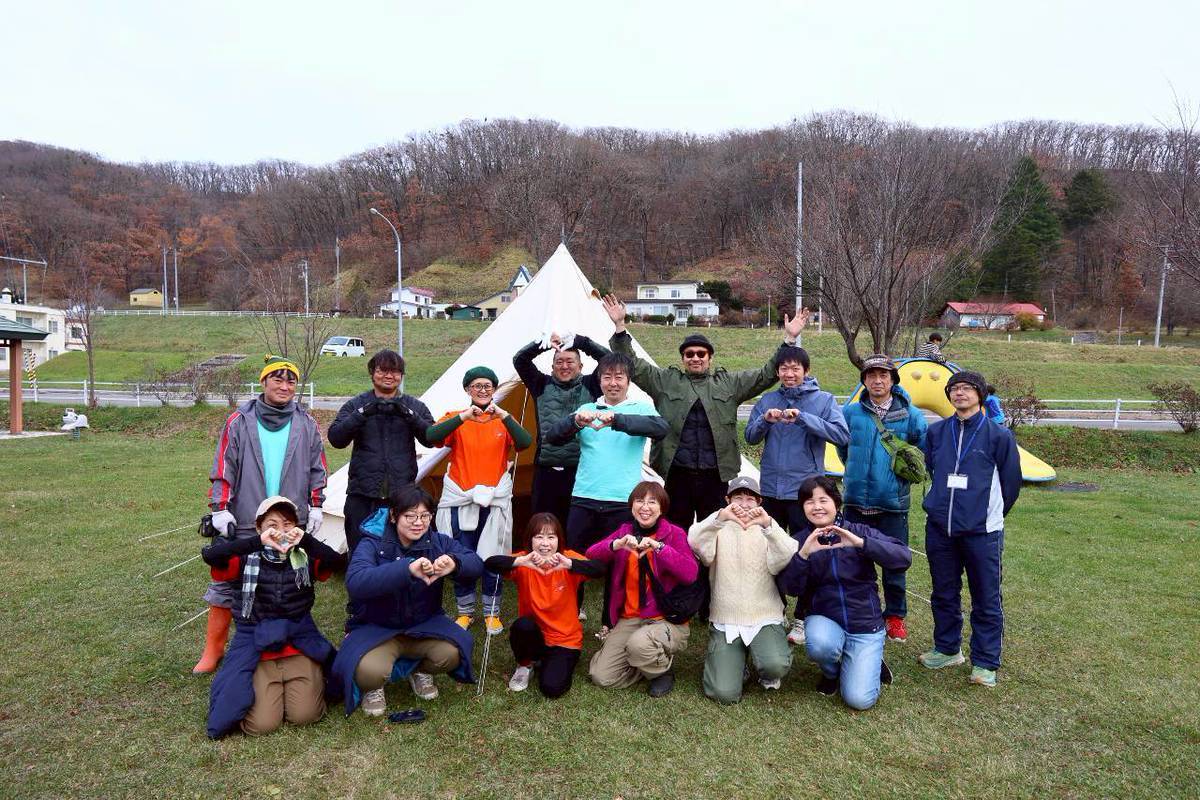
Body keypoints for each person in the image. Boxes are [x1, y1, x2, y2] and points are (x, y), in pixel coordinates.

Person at [603, 294, 807, 530]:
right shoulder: (664, 381)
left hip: (715, 475)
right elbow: (633, 365)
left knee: (714, 533)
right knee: (676, 531)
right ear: (683, 359)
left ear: (710, 357)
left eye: (701, 354)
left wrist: (789, 339)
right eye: (689, 354)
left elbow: (765, 374)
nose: (696, 358)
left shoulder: (729, 383)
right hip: (676, 474)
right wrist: (620, 327)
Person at [196, 355, 328, 674]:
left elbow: (317, 467)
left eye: (290, 381)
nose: (284, 387)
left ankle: (281, 644)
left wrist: (317, 503)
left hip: (287, 517)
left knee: (288, 580)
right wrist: (220, 508)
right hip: (245, 516)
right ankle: (213, 650)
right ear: (264, 382)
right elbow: (223, 466)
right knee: (229, 582)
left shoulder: (306, 424)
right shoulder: (239, 421)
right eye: (277, 380)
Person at [332, 484, 484, 716]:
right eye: (410, 516)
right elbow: (356, 581)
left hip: (423, 624)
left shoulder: (437, 542)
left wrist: (455, 563)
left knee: (454, 652)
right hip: (377, 626)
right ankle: (373, 687)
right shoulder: (371, 542)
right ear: (393, 515)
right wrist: (406, 569)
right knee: (369, 671)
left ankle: (420, 670)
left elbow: (476, 563)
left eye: (425, 515)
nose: (418, 522)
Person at [204, 496, 344, 738]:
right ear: (259, 527)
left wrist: (307, 541)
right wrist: (256, 543)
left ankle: (310, 679)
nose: (280, 530)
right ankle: (269, 687)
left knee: (305, 716)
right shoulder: (244, 557)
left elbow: (337, 562)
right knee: (262, 725)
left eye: (288, 523)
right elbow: (211, 556)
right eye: (272, 524)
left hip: (298, 642)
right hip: (257, 645)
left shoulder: (304, 556)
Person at [544, 352, 669, 621]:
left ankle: (609, 621)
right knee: (573, 558)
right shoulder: (588, 409)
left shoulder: (640, 408)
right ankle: (571, 610)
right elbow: (552, 437)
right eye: (607, 377)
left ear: (628, 381)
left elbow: (661, 428)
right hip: (584, 496)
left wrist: (617, 420)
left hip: (622, 501)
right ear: (599, 381)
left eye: (619, 377)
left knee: (618, 564)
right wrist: (575, 421)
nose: (613, 383)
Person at [919, 370, 1021, 688]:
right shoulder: (937, 433)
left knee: (986, 597)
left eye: (966, 389)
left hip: (982, 532)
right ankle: (948, 648)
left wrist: (988, 515)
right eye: (955, 389)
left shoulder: (998, 435)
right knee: (944, 592)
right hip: (940, 529)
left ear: (980, 394)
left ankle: (985, 662)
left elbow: (1011, 483)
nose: (960, 393)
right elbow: (932, 468)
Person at [777, 476, 912, 710]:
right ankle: (832, 672)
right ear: (802, 508)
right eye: (809, 501)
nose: (817, 506)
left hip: (865, 624)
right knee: (819, 644)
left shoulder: (857, 531)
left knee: (859, 700)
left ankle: (870, 660)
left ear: (836, 503)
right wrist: (804, 555)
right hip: (825, 619)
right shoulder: (800, 540)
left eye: (823, 500)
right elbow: (791, 589)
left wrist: (861, 543)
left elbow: (903, 558)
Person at [744, 345, 848, 645]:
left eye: (795, 368)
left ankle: (803, 617)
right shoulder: (768, 399)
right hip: (772, 491)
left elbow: (841, 435)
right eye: (784, 369)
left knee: (808, 554)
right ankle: (774, 612)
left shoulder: (824, 400)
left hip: (805, 493)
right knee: (770, 554)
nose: (789, 374)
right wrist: (766, 419)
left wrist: (803, 418)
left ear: (806, 371)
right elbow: (750, 436)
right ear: (778, 372)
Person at [426, 366, 533, 635]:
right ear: (467, 390)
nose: (483, 390)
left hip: (494, 500)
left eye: (488, 385)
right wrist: (463, 417)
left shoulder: (502, 421)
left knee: (493, 556)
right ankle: (465, 611)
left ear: (495, 389)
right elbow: (431, 437)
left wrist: (505, 415)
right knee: (463, 555)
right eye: (477, 386)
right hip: (461, 498)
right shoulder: (456, 418)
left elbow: (525, 442)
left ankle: (491, 612)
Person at [837, 354, 928, 645]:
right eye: (871, 375)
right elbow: (843, 450)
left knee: (894, 563)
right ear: (864, 380)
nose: (877, 380)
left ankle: (895, 616)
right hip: (854, 502)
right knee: (853, 561)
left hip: (892, 502)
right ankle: (858, 609)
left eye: (884, 376)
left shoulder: (911, 415)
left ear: (892, 380)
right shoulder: (850, 413)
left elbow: (920, 453)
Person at [688, 476, 798, 704]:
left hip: (764, 614)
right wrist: (719, 519)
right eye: (738, 498)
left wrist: (768, 526)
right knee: (723, 694)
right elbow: (695, 541)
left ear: (759, 502)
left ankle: (765, 668)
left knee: (775, 665)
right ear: (728, 499)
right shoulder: (717, 523)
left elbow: (787, 553)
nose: (744, 504)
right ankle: (738, 668)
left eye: (750, 499)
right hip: (726, 616)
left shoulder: (767, 525)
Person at [586, 481, 699, 697]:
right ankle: (643, 662)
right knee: (601, 676)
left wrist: (659, 548)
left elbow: (690, 573)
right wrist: (616, 544)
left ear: (661, 508)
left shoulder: (674, 534)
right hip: (630, 617)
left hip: (665, 618)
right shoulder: (624, 531)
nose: (645, 507)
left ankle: (660, 671)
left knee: (639, 645)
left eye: (652, 502)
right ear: (631, 506)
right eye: (639, 501)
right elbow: (591, 554)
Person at [484, 513, 604, 698]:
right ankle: (525, 664)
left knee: (552, 688)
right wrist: (520, 561)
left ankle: (549, 662)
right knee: (522, 625)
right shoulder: (525, 561)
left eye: (551, 537)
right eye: (539, 537)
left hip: (565, 640)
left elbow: (600, 569)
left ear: (559, 540)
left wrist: (571, 565)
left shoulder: (567, 559)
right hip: (535, 635)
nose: (545, 543)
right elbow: (490, 563)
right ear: (530, 540)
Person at [327, 349, 434, 552]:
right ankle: (361, 580)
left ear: (401, 376)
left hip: (402, 491)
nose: (388, 376)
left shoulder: (414, 406)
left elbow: (432, 438)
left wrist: (409, 415)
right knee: (359, 545)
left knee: (400, 547)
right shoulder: (356, 404)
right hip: (362, 490)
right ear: (372, 373)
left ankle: (396, 580)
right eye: (382, 370)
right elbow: (336, 439)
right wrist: (363, 413)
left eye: (395, 372)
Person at [513, 331, 611, 525]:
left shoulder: (591, 384)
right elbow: (520, 360)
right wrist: (544, 344)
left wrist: (582, 342)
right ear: (552, 367)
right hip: (546, 469)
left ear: (581, 366)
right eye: (559, 362)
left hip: (582, 471)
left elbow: (611, 361)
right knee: (543, 525)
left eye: (570, 361)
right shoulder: (540, 384)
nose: (564, 366)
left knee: (576, 527)